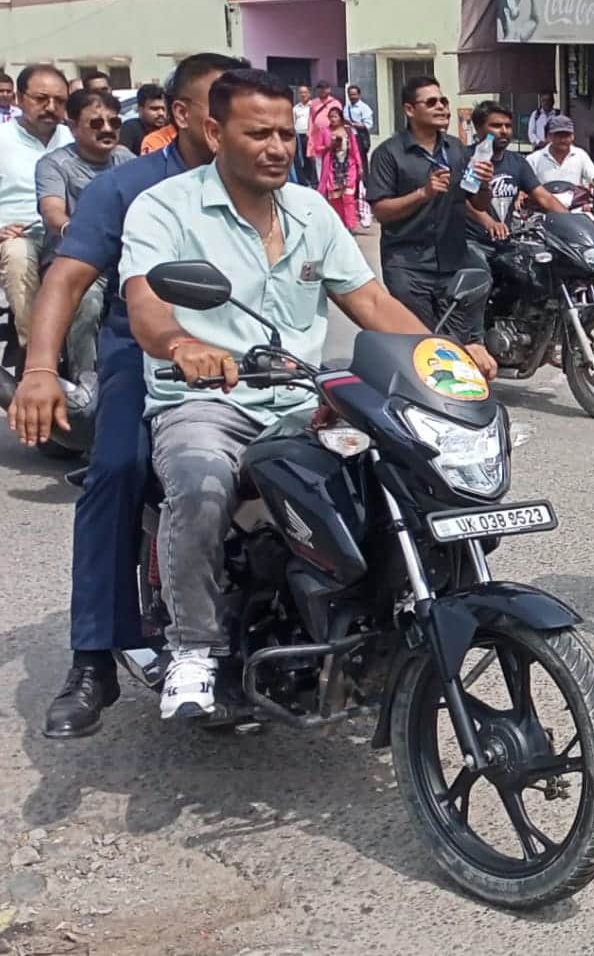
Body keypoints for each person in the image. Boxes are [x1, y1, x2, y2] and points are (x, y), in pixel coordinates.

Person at [117, 68, 433, 717]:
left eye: (284, 135)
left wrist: (440, 358)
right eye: (256, 133)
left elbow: (370, 299)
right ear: (213, 130)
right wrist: (184, 346)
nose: (276, 148)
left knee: (412, 469)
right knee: (203, 482)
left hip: (300, 401)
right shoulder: (164, 208)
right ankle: (195, 649)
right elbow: (146, 305)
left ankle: (386, 620)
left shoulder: (311, 211)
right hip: (205, 402)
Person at [7, 53, 248, 738]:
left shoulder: (263, 178)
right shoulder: (133, 187)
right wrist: (41, 369)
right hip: (141, 356)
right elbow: (67, 278)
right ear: (182, 114)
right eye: (217, 106)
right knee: (118, 468)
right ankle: (94, 657)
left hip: (253, 357)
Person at [366, 75, 498, 373]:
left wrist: (485, 185)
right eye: (431, 102)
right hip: (408, 265)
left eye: (443, 101)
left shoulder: (456, 150)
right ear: (410, 110)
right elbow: (381, 211)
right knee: (422, 345)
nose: (441, 107)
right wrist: (422, 193)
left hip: (452, 261)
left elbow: (475, 203)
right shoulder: (389, 154)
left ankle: (455, 403)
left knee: (453, 344)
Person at [34, 88, 135, 382]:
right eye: (95, 123)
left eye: (114, 123)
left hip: (121, 258)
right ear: (73, 126)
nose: (107, 129)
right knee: (88, 301)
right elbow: (52, 212)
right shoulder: (54, 164)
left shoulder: (127, 160)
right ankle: (86, 382)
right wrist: (80, 233)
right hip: (74, 257)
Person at [0, 65, 74, 354]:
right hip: (16, 236)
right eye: (41, 98)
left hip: (67, 234)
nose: (51, 107)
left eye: (60, 101)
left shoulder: (73, 139)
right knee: (20, 258)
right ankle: (38, 356)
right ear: (18, 98)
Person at [466, 99, 566, 240]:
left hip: (505, 242)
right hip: (473, 244)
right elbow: (463, 202)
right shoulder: (467, 158)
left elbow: (544, 197)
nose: (503, 131)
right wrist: (489, 223)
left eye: (508, 126)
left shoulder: (517, 161)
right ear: (478, 128)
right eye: (496, 126)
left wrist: (571, 221)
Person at [527, 115, 594, 204]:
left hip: (575, 210)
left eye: (567, 135)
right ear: (549, 137)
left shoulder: (581, 155)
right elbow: (523, 184)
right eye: (559, 135)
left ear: (573, 137)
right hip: (542, 210)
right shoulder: (534, 159)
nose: (563, 139)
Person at [319, 104, 362, 232]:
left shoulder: (348, 131)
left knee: (348, 197)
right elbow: (317, 148)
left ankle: (350, 225)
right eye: (330, 117)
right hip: (333, 169)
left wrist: (360, 166)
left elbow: (355, 150)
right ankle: (338, 225)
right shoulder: (325, 132)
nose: (333, 119)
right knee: (335, 198)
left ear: (340, 118)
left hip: (349, 167)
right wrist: (329, 146)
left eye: (335, 117)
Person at [118, 84, 167, 154]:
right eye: (154, 109)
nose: (161, 113)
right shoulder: (130, 128)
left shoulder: (170, 129)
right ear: (140, 109)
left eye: (163, 109)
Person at [307, 80, 337, 184]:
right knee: (318, 161)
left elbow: (339, 120)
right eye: (320, 88)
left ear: (329, 89)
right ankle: (322, 185)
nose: (322, 90)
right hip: (317, 136)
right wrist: (309, 134)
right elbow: (310, 119)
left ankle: (332, 183)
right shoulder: (314, 103)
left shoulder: (335, 103)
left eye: (325, 88)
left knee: (332, 160)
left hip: (331, 134)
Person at [344, 84, 375, 160]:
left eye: (354, 94)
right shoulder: (346, 107)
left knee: (361, 159)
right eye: (350, 95)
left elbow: (368, 124)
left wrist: (353, 124)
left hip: (359, 137)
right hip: (348, 136)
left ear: (359, 94)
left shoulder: (364, 107)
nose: (352, 97)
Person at [292, 85, 313, 186]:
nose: (303, 94)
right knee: (301, 158)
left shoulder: (313, 106)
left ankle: (313, 179)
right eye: (301, 93)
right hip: (299, 136)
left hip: (311, 135)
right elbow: (292, 121)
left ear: (309, 93)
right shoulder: (296, 108)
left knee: (311, 158)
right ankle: (304, 180)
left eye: (305, 92)